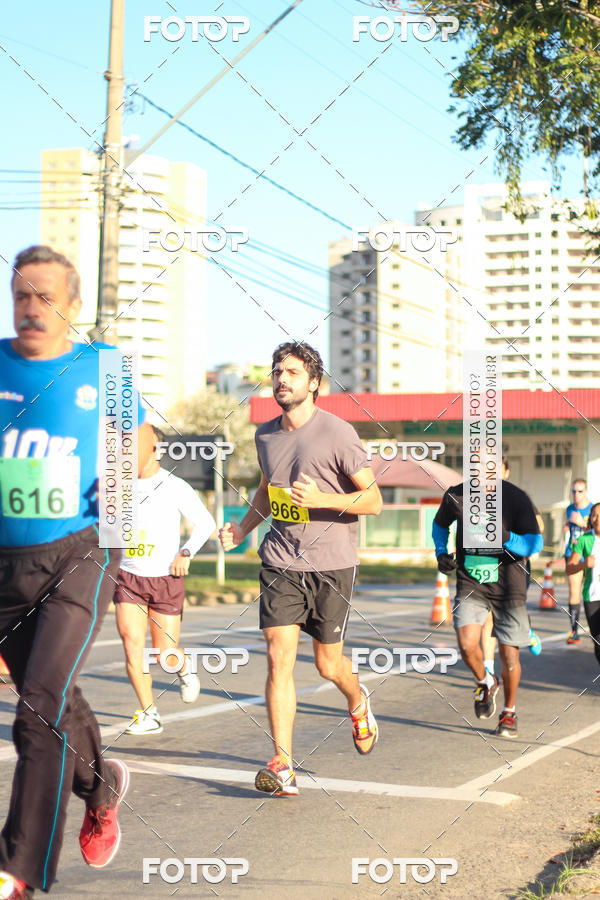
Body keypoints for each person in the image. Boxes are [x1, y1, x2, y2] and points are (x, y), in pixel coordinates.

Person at [0, 246, 154, 899]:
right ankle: (101, 785)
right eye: (22, 295)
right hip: (5, 561)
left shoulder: (105, 369)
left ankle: (18, 870)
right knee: (51, 692)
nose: (33, 308)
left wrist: (113, 481)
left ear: (74, 307)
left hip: (78, 553)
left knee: (35, 711)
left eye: (46, 297)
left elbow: (144, 454)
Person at [219, 342, 382, 796]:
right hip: (280, 560)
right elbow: (267, 491)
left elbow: (373, 501)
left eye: (291, 371)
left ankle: (356, 698)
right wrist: (245, 529)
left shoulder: (338, 433)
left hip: (332, 565)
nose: (281, 378)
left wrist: (323, 500)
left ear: (315, 383)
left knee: (328, 664)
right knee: (278, 658)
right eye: (276, 371)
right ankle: (284, 764)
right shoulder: (265, 435)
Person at [114, 425, 216, 734]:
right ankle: (149, 713)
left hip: (166, 578)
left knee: (164, 655)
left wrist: (185, 552)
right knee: (132, 645)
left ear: (156, 450)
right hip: (128, 577)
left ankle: (183, 668)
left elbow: (205, 524)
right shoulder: (117, 485)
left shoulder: (174, 486)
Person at [433, 477, 542, 738]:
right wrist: (441, 551)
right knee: (467, 644)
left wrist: (503, 537)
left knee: (510, 656)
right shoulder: (456, 495)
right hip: (472, 582)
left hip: (509, 585)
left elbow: (533, 544)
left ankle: (509, 711)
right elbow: (440, 524)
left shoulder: (516, 497)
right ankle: (486, 680)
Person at [480, 457, 544, 676]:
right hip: (487, 563)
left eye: (498, 469)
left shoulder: (519, 497)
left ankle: (527, 630)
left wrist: (510, 536)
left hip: (515, 566)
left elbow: (539, 526)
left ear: (506, 473)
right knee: (489, 616)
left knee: (512, 611)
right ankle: (488, 669)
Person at [566, 503, 600, 663]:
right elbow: (569, 568)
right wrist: (584, 564)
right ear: (590, 518)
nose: (598, 519)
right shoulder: (584, 539)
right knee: (598, 641)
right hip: (592, 596)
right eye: (594, 515)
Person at [564, 478, 593, 645]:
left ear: (586, 491)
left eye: (580, 491)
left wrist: (582, 523)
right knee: (574, 591)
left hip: (589, 553)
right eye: (574, 491)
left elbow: (595, 531)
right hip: (573, 553)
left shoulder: (593, 509)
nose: (576, 495)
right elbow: (569, 526)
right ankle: (574, 631)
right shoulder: (569, 509)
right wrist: (567, 526)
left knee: (592, 590)